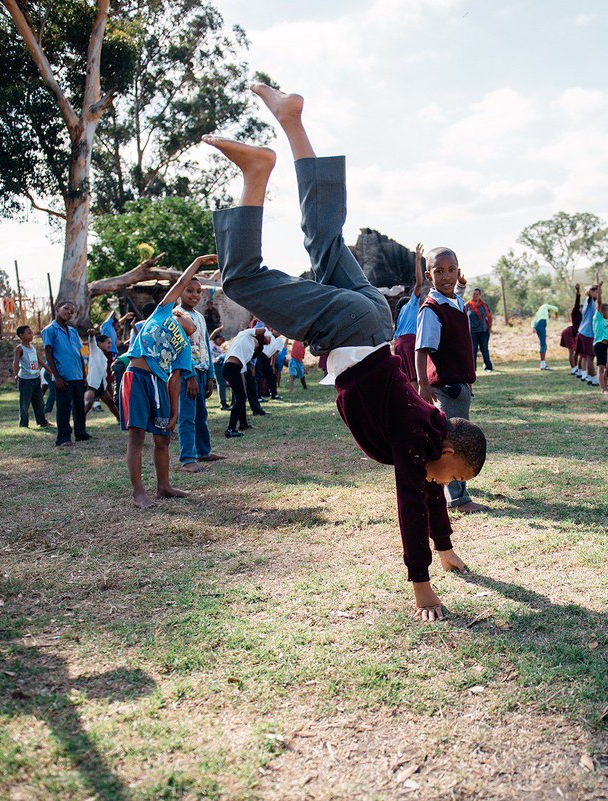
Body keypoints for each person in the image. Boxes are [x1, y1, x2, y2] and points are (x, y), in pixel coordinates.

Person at [204, 82, 487, 620]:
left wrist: (446, 548)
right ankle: (256, 174)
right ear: (449, 451)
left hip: (372, 317)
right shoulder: (417, 439)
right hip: (352, 333)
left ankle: (292, 121)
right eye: (455, 477)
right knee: (240, 278)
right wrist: (422, 585)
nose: (447, 485)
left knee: (323, 236)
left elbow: (428, 494)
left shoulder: (429, 430)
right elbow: (411, 504)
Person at [120, 254, 214, 508]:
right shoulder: (162, 313)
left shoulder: (184, 347)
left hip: (160, 384)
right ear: (178, 313)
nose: (192, 321)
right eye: (186, 317)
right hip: (138, 377)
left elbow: (175, 378)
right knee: (137, 436)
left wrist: (174, 412)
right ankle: (139, 493)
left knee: (162, 438)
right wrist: (198, 261)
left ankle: (164, 486)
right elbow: (182, 282)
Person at [417, 249, 487, 515]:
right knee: (453, 442)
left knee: (461, 439)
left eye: (451, 270)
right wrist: (423, 384)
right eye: (439, 271)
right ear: (429, 276)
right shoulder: (431, 309)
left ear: (458, 271)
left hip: (460, 386)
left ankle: (456, 488)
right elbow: (421, 349)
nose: (446, 276)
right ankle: (458, 499)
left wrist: (468, 376)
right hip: (445, 388)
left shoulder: (455, 302)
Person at [177, 274, 225, 472]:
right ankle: (188, 458)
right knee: (187, 416)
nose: (195, 295)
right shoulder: (177, 316)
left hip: (203, 371)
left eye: (198, 291)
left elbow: (205, 345)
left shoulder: (200, 317)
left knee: (201, 414)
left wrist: (211, 375)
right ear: (179, 291)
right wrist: (189, 376)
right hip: (187, 373)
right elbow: (180, 349)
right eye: (189, 290)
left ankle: (203, 451)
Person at [41, 300, 91, 447]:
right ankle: (63, 437)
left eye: (71, 312)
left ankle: (81, 432)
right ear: (57, 308)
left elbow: (79, 354)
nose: (68, 313)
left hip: (77, 375)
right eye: (66, 309)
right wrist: (56, 376)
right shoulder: (50, 330)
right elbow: (49, 355)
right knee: (64, 407)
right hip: (63, 376)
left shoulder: (73, 332)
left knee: (79, 406)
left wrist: (84, 376)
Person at [392, 244, 426, 382]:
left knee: (407, 379)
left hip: (398, 344)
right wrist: (418, 261)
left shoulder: (400, 315)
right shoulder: (412, 305)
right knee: (415, 378)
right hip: (410, 342)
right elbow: (419, 284)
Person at [13, 325, 51, 428]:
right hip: (26, 380)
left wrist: (48, 369)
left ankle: (42, 422)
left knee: (39, 402)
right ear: (21, 335)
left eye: (31, 333)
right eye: (29, 333)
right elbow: (16, 362)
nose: (31, 335)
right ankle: (23, 424)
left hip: (36, 378)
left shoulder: (32, 348)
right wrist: (16, 375)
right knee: (25, 404)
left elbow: (38, 360)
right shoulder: (20, 348)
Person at [221, 328, 257, 437]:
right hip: (230, 368)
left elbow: (241, 370)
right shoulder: (246, 334)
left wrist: (244, 389)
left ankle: (243, 424)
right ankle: (230, 429)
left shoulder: (248, 350)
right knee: (240, 398)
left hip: (233, 369)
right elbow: (260, 331)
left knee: (242, 397)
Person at [83, 334, 118, 419]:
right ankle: (80, 421)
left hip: (101, 385)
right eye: (108, 343)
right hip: (92, 384)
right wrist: (91, 336)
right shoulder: (95, 350)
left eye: (110, 343)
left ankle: (120, 419)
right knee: (88, 403)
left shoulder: (103, 355)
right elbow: (92, 342)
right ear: (99, 343)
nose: (110, 345)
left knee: (110, 403)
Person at [575, 283, 602, 385]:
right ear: (591, 292)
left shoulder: (591, 302)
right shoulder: (589, 301)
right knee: (590, 357)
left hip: (585, 332)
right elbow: (596, 299)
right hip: (587, 333)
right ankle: (594, 379)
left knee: (588, 356)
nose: (598, 294)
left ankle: (590, 378)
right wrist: (598, 288)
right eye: (597, 292)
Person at [467, 288, 494, 372]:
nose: (475, 296)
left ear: (480, 295)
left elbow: (489, 317)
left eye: (477, 294)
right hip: (472, 332)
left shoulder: (484, 305)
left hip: (483, 331)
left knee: (484, 349)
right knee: (473, 350)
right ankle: (472, 368)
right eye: (474, 294)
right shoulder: (467, 306)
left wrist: (489, 328)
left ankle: (488, 367)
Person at [531, 302, 558, 370]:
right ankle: (543, 365)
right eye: (549, 314)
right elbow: (556, 308)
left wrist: (533, 327)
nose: (549, 315)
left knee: (543, 345)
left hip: (538, 327)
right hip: (541, 326)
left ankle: (543, 364)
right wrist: (556, 314)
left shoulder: (538, 314)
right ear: (547, 311)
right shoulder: (545, 306)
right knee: (543, 346)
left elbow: (533, 321)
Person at [593, 302, 608, 393]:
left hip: (605, 346)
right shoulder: (598, 318)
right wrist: (599, 293)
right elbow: (599, 303)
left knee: (607, 367)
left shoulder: (605, 322)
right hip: (599, 345)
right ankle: (603, 389)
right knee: (601, 368)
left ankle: (604, 386)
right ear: (602, 311)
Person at [209, 329, 230, 409]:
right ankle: (223, 403)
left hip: (221, 364)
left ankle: (224, 402)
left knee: (223, 383)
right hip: (215, 363)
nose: (220, 341)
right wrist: (219, 329)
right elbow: (212, 335)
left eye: (222, 340)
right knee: (221, 383)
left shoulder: (220, 348)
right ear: (215, 339)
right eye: (219, 339)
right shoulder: (211, 344)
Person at [563, 285, 581, 375]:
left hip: (576, 334)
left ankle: (576, 367)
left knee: (577, 352)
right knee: (571, 351)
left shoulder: (584, 316)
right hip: (569, 333)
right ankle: (573, 369)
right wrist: (578, 291)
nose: (582, 309)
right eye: (581, 308)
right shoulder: (576, 312)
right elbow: (577, 302)